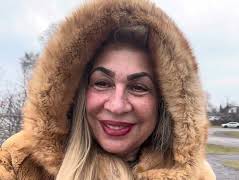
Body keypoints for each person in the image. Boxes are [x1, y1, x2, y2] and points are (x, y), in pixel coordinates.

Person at [0, 0, 216, 179]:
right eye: (102, 83)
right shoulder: (20, 161)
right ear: (77, 92)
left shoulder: (197, 176)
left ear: (165, 103)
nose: (117, 105)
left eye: (138, 87)